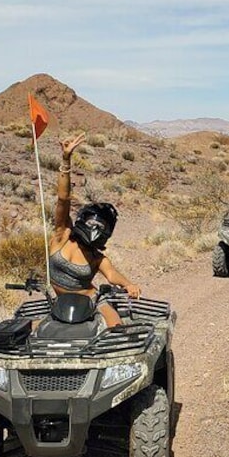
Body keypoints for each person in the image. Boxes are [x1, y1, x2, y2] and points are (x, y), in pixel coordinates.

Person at [49, 133, 141, 328]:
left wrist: (129, 285)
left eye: (102, 228)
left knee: (116, 330)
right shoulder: (62, 236)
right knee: (29, 335)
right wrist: (66, 160)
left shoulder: (96, 257)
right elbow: (63, 199)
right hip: (58, 304)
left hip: (92, 301)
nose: (95, 230)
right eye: (93, 224)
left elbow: (112, 275)